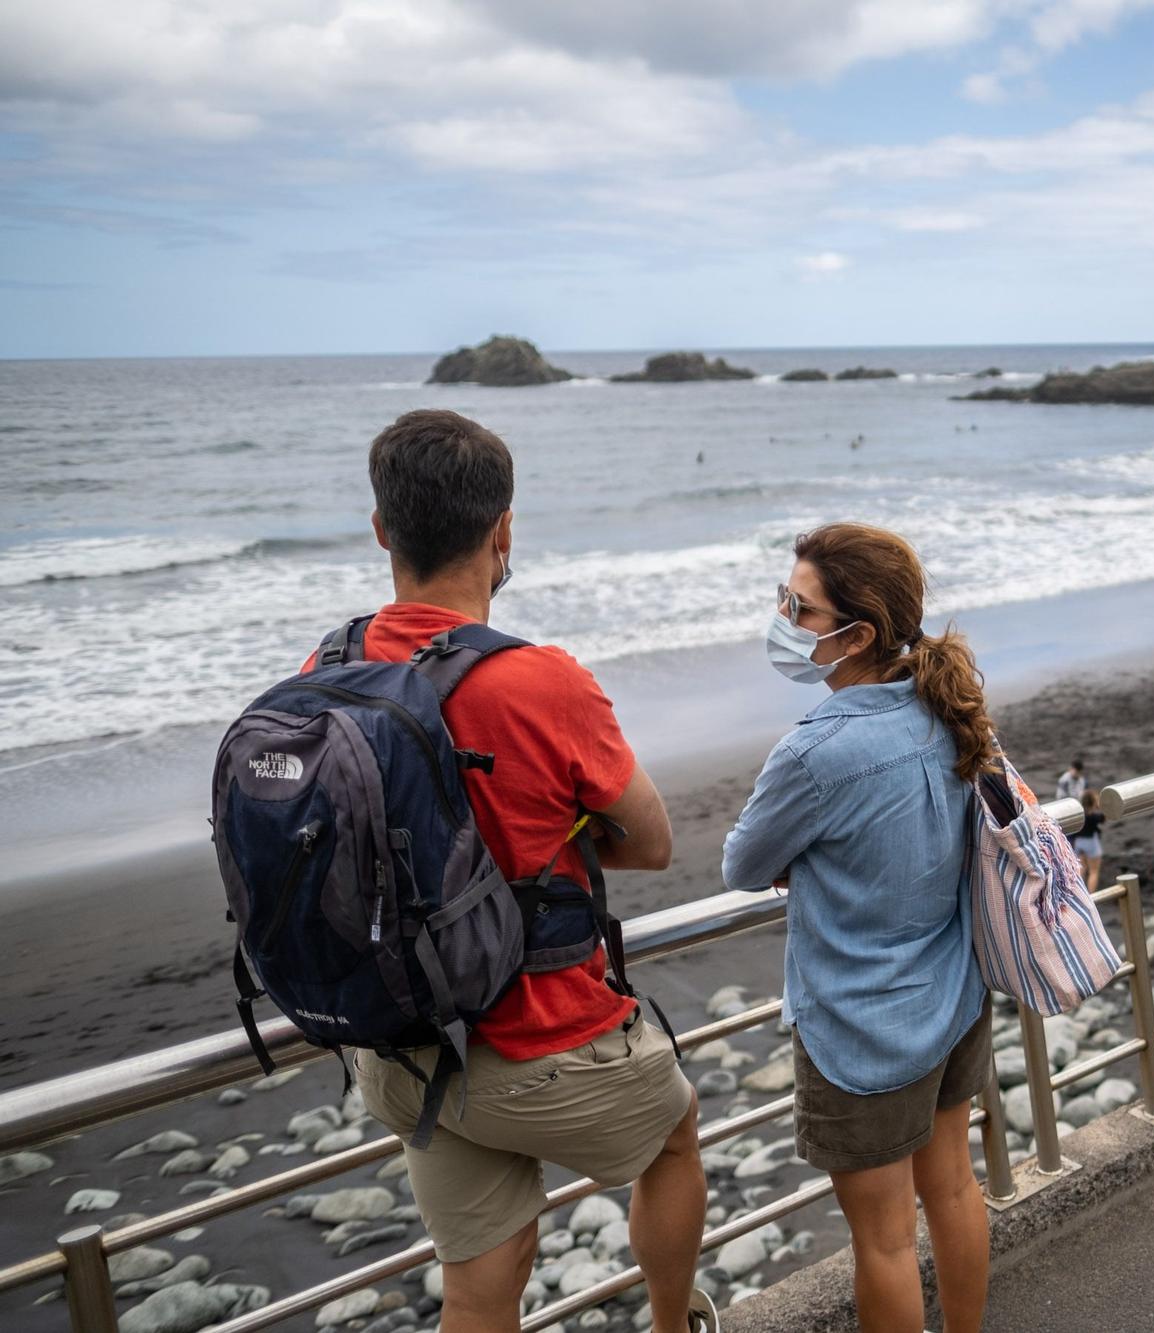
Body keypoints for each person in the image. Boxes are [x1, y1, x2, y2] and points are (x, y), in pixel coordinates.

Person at [332, 410, 714, 1333]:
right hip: (539, 1048)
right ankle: (675, 1321)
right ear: (504, 532)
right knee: (674, 1136)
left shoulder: (330, 666)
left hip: (401, 1049)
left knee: (479, 1281)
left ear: (383, 528)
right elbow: (653, 841)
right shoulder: (542, 681)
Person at [722, 522, 993, 1333]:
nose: (780, 617)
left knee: (881, 1241)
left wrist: (800, 855)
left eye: (798, 608)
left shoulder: (815, 752)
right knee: (952, 1187)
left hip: (858, 1028)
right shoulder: (947, 706)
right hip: (952, 997)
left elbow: (741, 863)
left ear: (859, 633)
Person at [1071, 790, 1106, 892]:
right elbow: (1104, 817)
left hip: (1078, 843)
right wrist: (1098, 806)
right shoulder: (1094, 817)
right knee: (1094, 871)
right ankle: (1092, 896)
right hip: (1090, 843)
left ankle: (1081, 894)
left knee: (1081, 869)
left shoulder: (1079, 816)